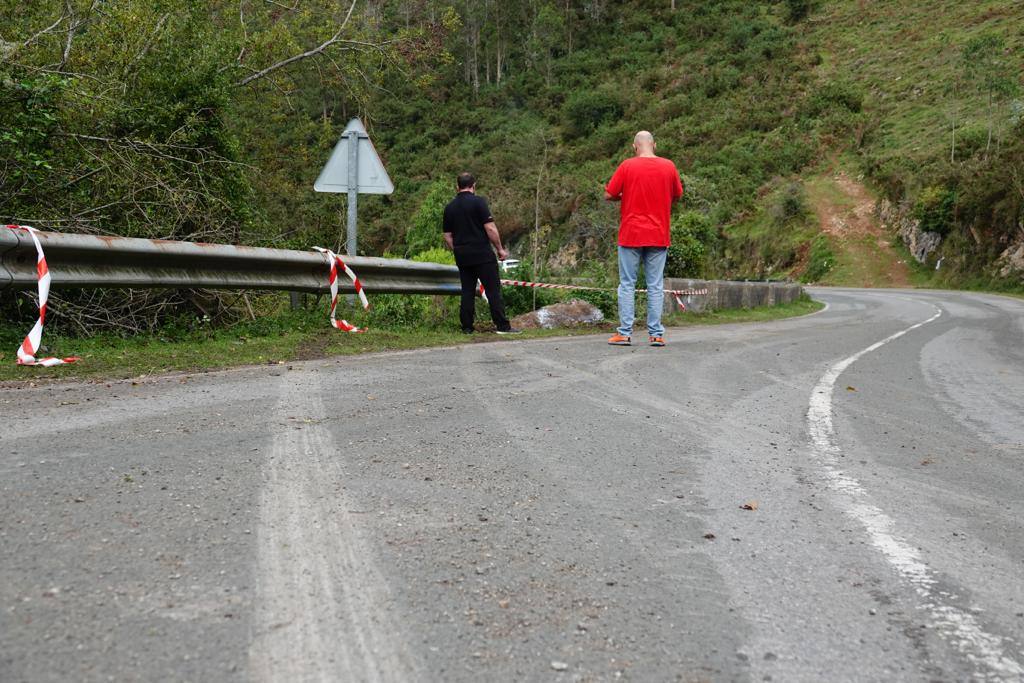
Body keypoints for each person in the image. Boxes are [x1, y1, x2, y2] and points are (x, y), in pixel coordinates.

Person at [603, 131, 684, 347]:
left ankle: (625, 333)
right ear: (654, 145)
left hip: (631, 234)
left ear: (634, 146)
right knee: (655, 285)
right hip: (659, 233)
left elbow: (609, 194)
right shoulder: (669, 166)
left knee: (627, 284)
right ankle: (656, 334)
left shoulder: (627, 166)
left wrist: (625, 196)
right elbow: (677, 194)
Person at [442, 172, 520, 335]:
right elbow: (490, 228)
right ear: (473, 186)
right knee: (493, 290)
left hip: (463, 256)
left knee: (467, 291)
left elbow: (447, 236)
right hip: (482, 254)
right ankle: (502, 326)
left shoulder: (450, 207)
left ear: (457, 187)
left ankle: (467, 328)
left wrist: (457, 249)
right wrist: (499, 249)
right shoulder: (479, 202)